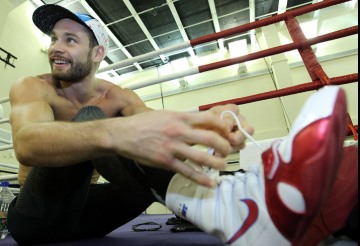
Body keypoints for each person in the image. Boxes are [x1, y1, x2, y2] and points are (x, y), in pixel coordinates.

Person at [7, 4, 355, 246]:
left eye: (70, 39)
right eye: (54, 38)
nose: (56, 48)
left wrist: (203, 124)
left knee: (139, 142)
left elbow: (155, 130)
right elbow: (27, 142)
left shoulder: (119, 96)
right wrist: (113, 132)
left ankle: (257, 202)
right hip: (38, 218)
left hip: (92, 217)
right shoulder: (33, 87)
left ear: (97, 53)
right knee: (93, 121)